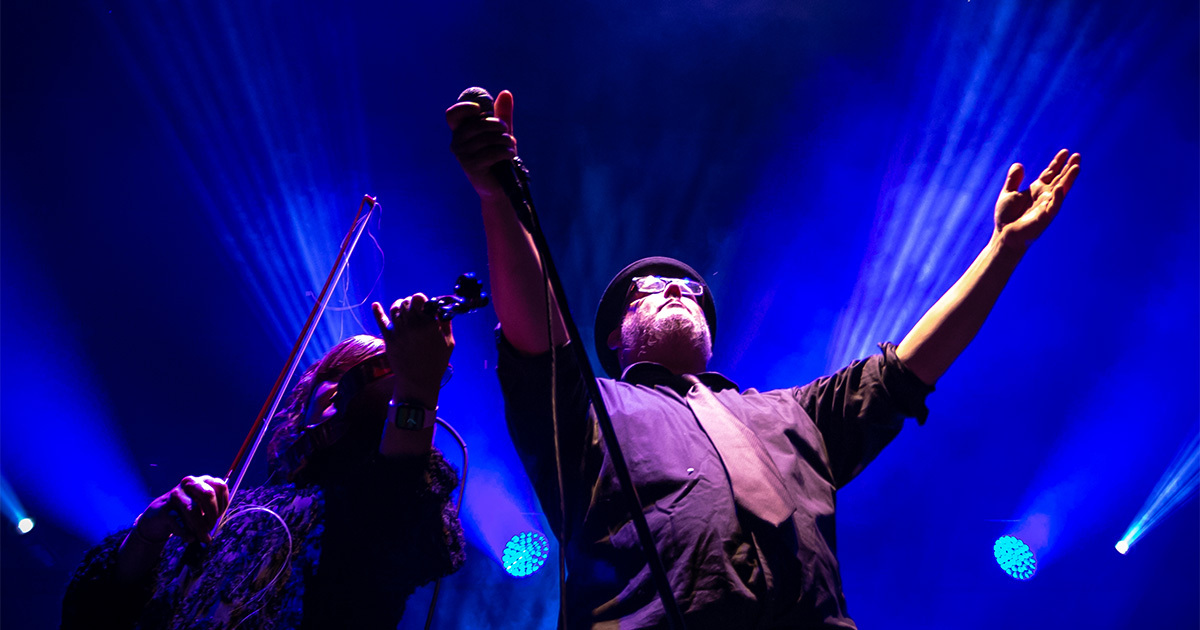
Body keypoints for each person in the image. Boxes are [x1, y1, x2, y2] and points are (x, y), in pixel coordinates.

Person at [447, 88, 1080, 628]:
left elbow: (909, 367)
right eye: (648, 288)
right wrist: (498, 197)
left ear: (712, 337)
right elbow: (537, 335)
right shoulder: (591, 408)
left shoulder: (791, 414)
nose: (674, 288)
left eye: (690, 288)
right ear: (613, 337)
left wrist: (1003, 249)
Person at [61, 294, 466, 630]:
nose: (347, 388)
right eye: (340, 373)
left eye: (371, 382)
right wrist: (150, 530)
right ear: (307, 392)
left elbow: (399, 487)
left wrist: (416, 388)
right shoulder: (233, 507)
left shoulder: (373, 507)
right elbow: (99, 611)